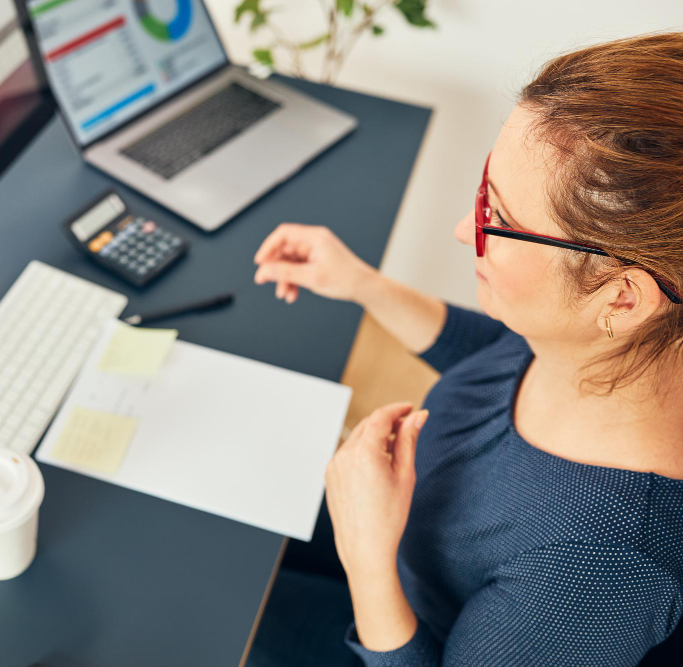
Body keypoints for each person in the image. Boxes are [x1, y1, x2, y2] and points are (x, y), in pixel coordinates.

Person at [250, 33, 683, 665]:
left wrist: (368, 561)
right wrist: (363, 284)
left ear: (621, 299)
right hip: (400, 533)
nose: (464, 229)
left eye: (498, 220)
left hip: (388, 619)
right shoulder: (622, 347)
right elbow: (502, 356)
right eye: (486, 190)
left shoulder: (601, 568)